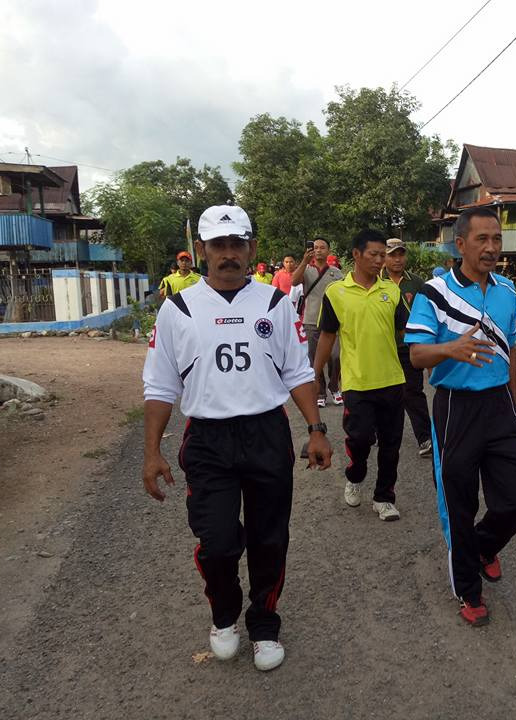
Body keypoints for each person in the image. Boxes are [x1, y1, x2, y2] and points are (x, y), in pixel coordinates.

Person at [141, 204, 333, 672]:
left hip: (266, 432)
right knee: (219, 541)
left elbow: (296, 370)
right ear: (202, 250)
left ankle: (264, 622)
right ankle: (223, 615)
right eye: (218, 245)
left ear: (251, 249)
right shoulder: (178, 309)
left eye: (237, 244)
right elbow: (161, 384)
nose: (228, 254)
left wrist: (316, 428)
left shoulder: (273, 302)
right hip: (208, 439)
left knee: (270, 538)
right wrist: (151, 451)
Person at [405, 207, 516, 627]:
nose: (492, 247)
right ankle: (468, 590)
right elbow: (416, 354)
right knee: (458, 502)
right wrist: (450, 349)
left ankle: (483, 546)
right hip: (455, 407)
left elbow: (512, 348)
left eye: (497, 239)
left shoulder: (507, 291)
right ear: (460, 244)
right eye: (483, 239)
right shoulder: (434, 292)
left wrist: (514, 401)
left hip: (499, 405)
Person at [313, 229, 407, 522]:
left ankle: (384, 497)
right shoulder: (336, 293)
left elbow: (406, 332)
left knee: (391, 446)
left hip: (393, 380)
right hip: (356, 383)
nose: (381, 261)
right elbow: (327, 336)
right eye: (375, 255)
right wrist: (314, 374)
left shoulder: (391, 291)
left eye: (384, 255)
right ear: (356, 254)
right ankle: (355, 476)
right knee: (361, 439)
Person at [382, 237, 432, 457]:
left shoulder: (417, 283)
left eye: (401, 254)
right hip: (381, 348)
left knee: (413, 393)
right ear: (384, 257)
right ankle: (378, 429)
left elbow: (429, 315)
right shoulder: (375, 281)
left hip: (410, 348)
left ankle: (425, 438)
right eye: (392, 254)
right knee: (382, 393)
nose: (397, 259)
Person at [289, 238, 344, 408]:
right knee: (313, 358)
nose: (319, 250)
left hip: (332, 321)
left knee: (335, 357)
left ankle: (334, 387)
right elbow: (294, 282)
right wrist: (304, 261)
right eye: (316, 247)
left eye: (322, 247)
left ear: (328, 251)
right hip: (311, 320)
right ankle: (320, 392)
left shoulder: (336, 273)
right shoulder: (306, 270)